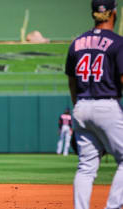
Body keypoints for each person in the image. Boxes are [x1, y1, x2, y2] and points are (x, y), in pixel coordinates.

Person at [65, 0, 123, 208]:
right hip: (106, 104)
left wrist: (77, 107)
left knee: (86, 167)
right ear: (114, 13)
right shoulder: (117, 42)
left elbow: (71, 81)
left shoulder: (77, 42)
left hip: (81, 105)